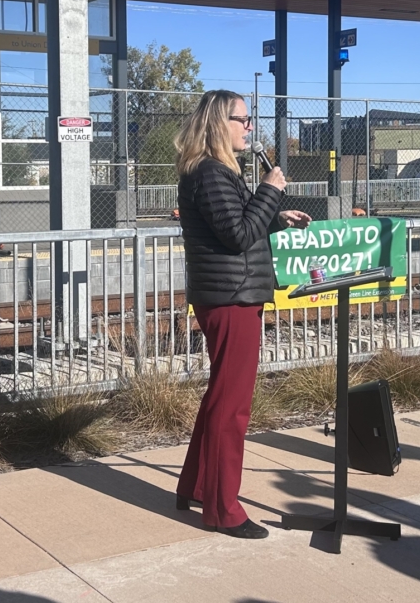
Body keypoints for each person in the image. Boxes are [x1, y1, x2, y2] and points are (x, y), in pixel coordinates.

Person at [172, 90, 311, 539]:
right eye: (243, 119)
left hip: (230, 294)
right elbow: (236, 235)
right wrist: (270, 190)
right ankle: (223, 509)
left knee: (220, 397)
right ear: (219, 123)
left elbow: (238, 226)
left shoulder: (213, 172)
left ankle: (195, 486)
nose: (250, 127)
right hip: (231, 299)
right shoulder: (211, 172)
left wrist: (274, 214)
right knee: (233, 407)